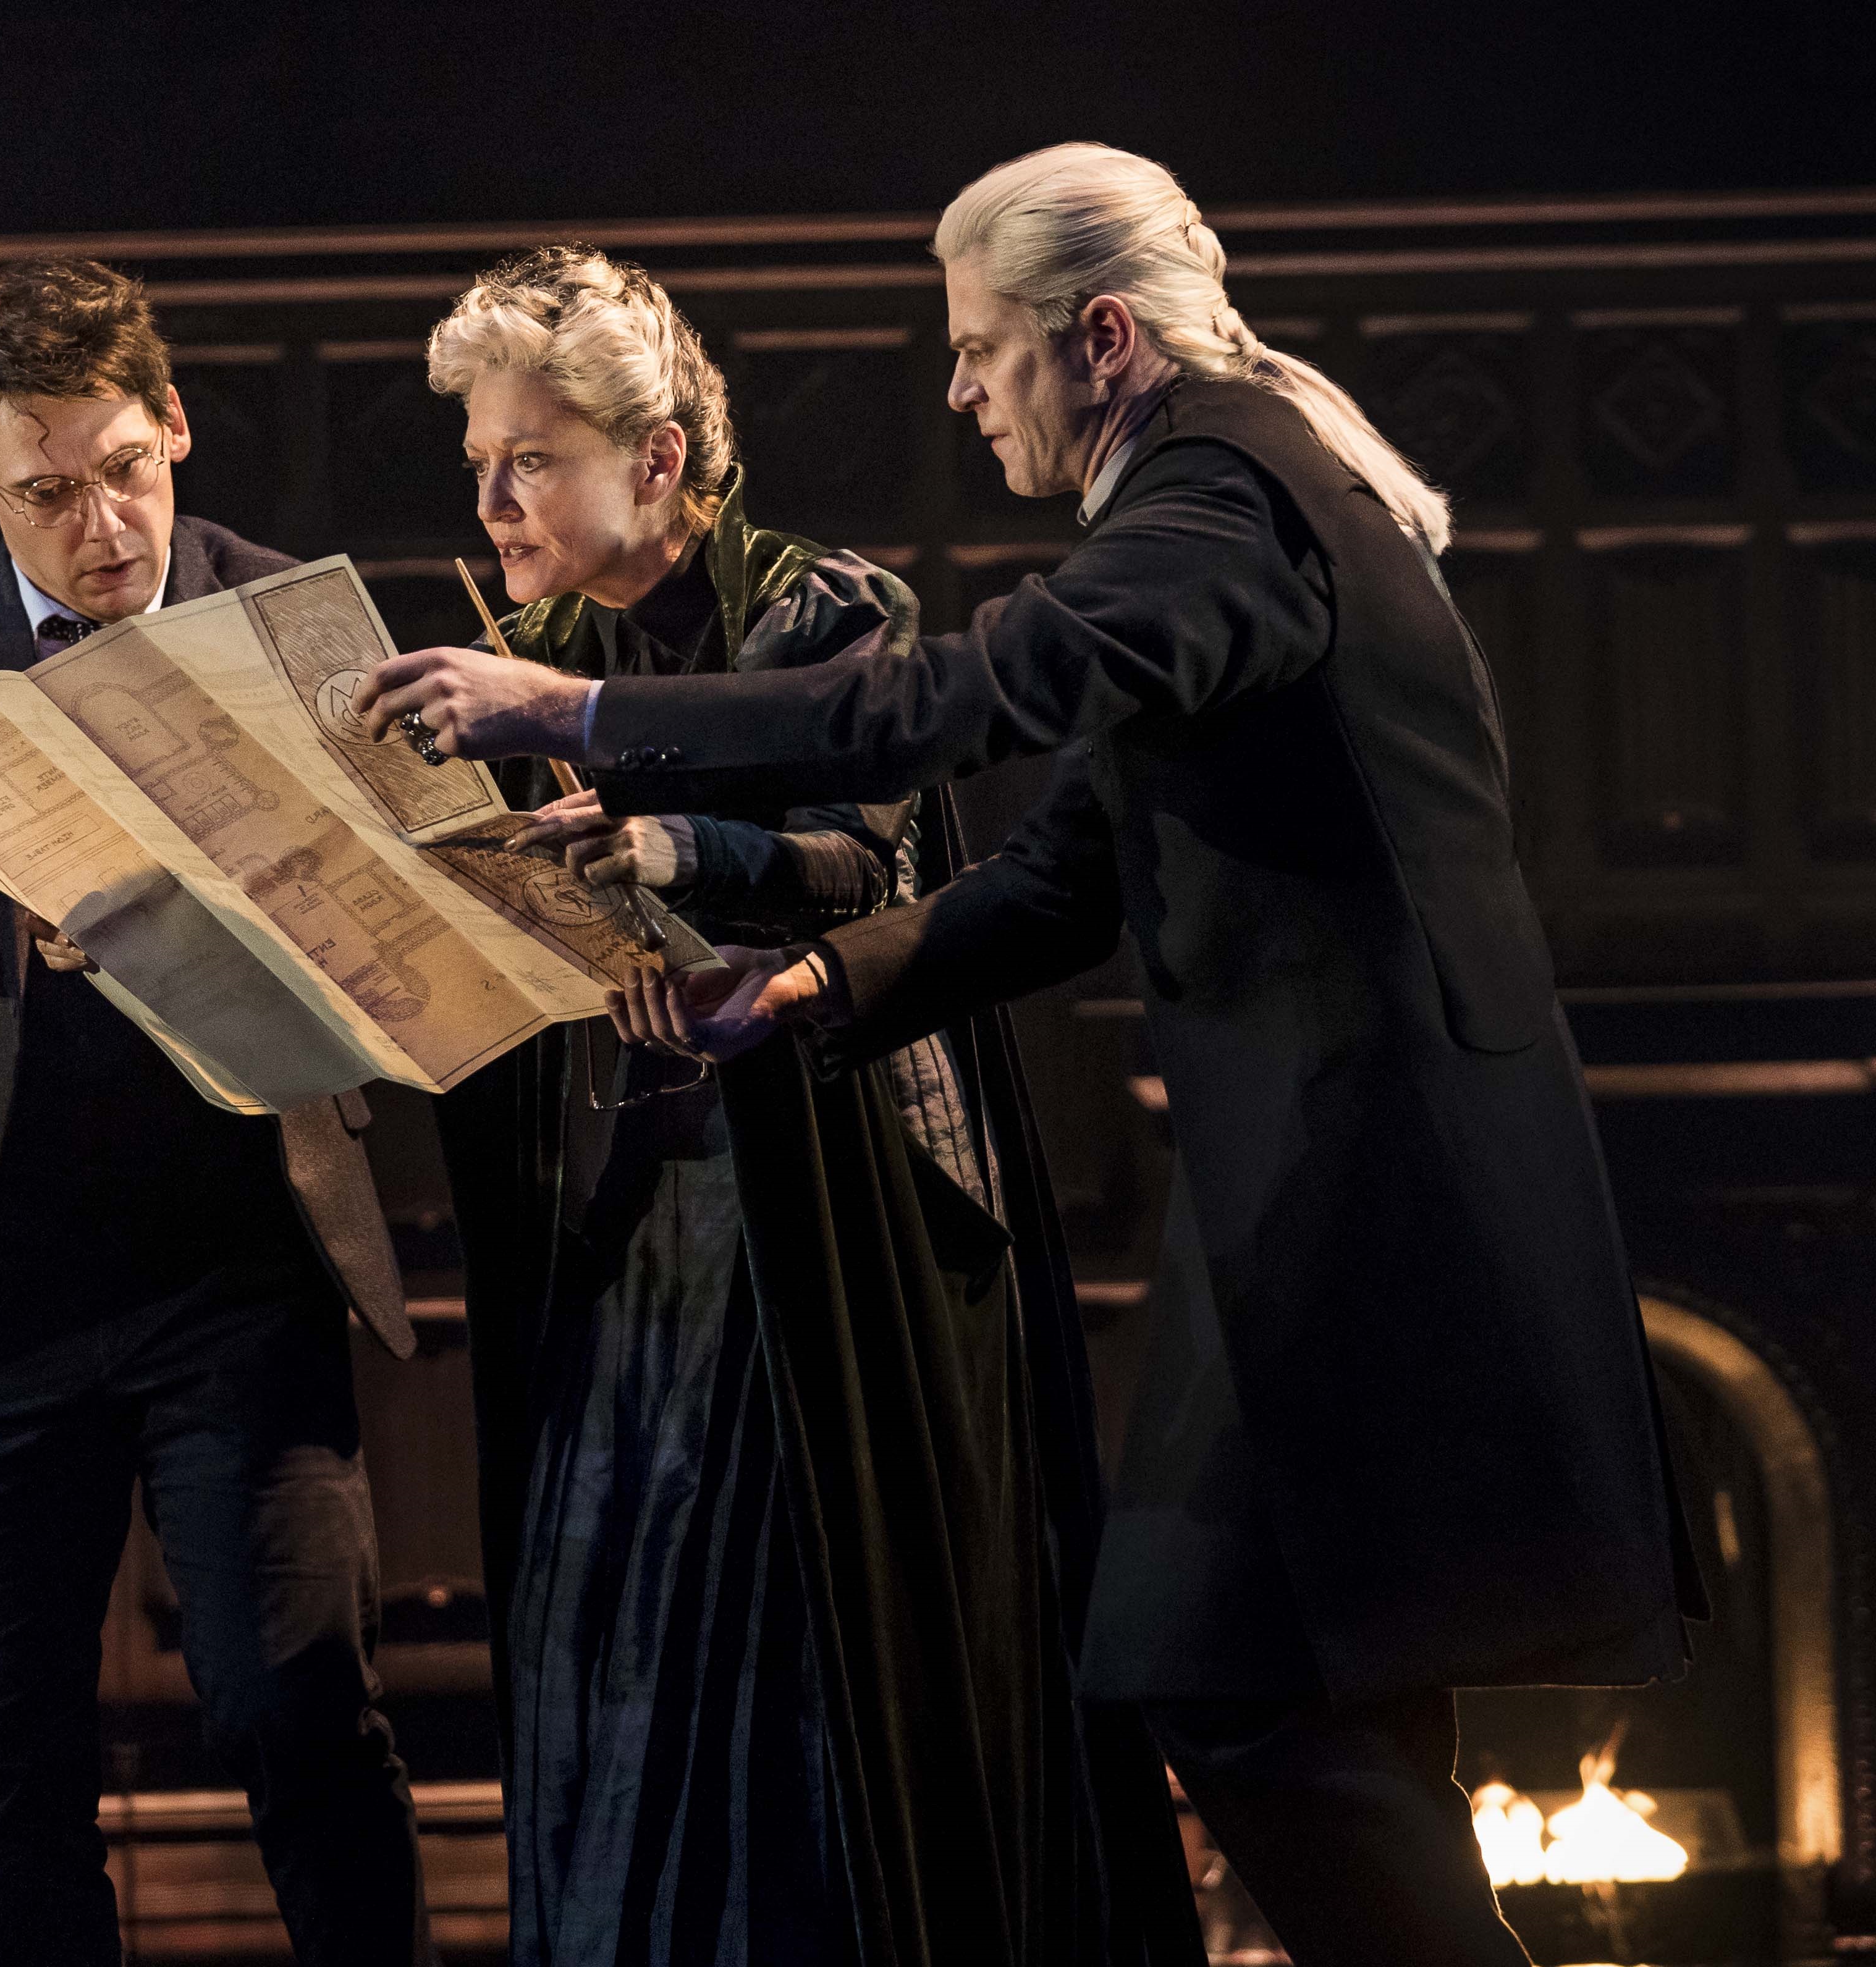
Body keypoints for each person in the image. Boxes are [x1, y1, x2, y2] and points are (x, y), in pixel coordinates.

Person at [361, 145, 1704, 1967]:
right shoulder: (1237, 488)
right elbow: (1072, 869)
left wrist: (584, 707)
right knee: (1301, 1691)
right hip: (1352, 1180)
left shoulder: (1221, 499)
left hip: (1376, 1189)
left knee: (1223, 1676)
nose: (958, 385)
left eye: (984, 348)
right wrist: (815, 991)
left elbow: (950, 700)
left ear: (1101, 339)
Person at [408, 245, 1195, 1966]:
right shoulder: (508, 659)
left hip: (830, 1210)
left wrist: (664, 845)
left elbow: (871, 855)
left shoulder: (824, 613)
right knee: (608, 1631)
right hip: (625, 1228)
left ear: (662, 459)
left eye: (530, 456)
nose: (493, 498)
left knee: (808, 1662)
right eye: (479, 461)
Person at [0, 256, 429, 1967]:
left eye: (127, 467)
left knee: (298, 1714)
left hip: (233, 1266)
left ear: (176, 425)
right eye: (46, 493)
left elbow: (408, 923)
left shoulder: (284, 616)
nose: (102, 524)